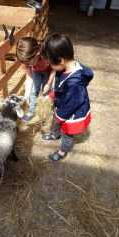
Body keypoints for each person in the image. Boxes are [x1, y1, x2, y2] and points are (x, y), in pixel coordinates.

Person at [40, 34, 94, 162]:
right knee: (55, 119)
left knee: (66, 132)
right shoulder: (65, 67)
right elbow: (60, 86)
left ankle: (62, 152)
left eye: (50, 64)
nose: (50, 67)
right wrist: (51, 95)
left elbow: (72, 104)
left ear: (60, 61)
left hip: (71, 112)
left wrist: (61, 116)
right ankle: (54, 135)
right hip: (62, 105)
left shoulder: (75, 83)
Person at [16, 37, 56, 122]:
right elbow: (29, 78)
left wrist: (49, 83)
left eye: (29, 63)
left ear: (37, 55)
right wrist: (26, 97)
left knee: (46, 93)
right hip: (36, 72)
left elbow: (54, 69)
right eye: (26, 64)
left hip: (48, 72)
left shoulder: (47, 54)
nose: (28, 65)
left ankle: (45, 112)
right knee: (34, 90)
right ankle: (32, 109)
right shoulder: (28, 61)